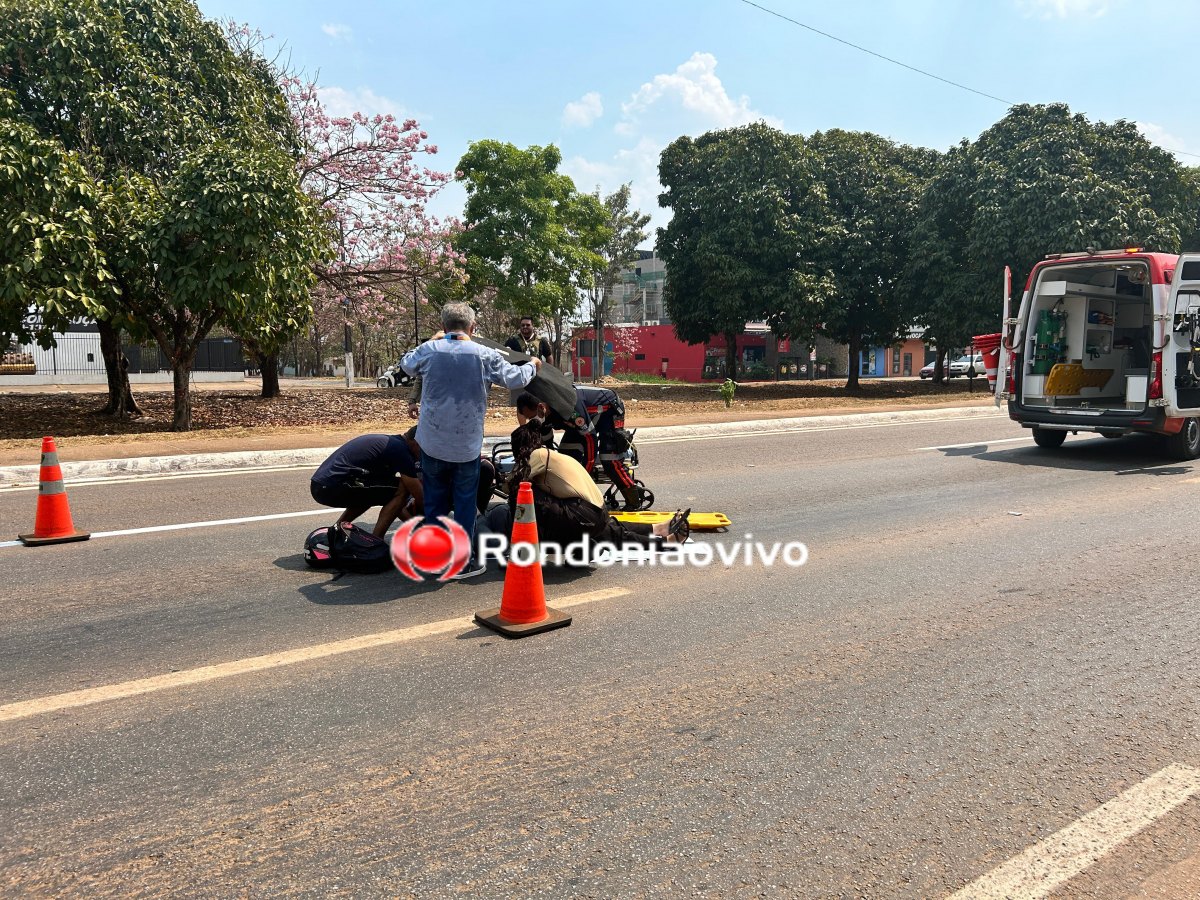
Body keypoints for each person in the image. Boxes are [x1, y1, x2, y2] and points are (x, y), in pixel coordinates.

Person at [401, 302, 539, 579]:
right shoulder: (484, 354)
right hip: (466, 445)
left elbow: (407, 364)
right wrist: (533, 365)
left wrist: (432, 341)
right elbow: (514, 378)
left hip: (432, 443)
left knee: (435, 502)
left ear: (443, 326)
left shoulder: (429, 350)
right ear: (473, 328)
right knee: (464, 503)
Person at [484, 421, 688, 553]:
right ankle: (660, 533)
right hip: (595, 513)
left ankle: (557, 544)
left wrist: (496, 476)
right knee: (612, 533)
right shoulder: (550, 454)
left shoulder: (536, 456)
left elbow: (512, 486)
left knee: (523, 495)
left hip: (583, 515)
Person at [515, 384, 642, 510]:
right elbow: (546, 437)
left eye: (531, 417)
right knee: (564, 459)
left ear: (541, 407)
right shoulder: (544, 410)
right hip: (582, 422)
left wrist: (585, 473)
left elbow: (590, 439)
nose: (531, 421)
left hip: (609, 412)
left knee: (609, 459)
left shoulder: (570, 409)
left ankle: (634, 501)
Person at [310, 430, 423, 538]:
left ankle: (336, 531)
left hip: (320, 485)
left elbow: (395, 505)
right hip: (333, 486)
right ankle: (377, 540)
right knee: (402, 488)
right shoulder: (400, 450)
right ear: (417, 442)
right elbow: (418, 495)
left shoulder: (392, 443)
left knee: (374, 491)